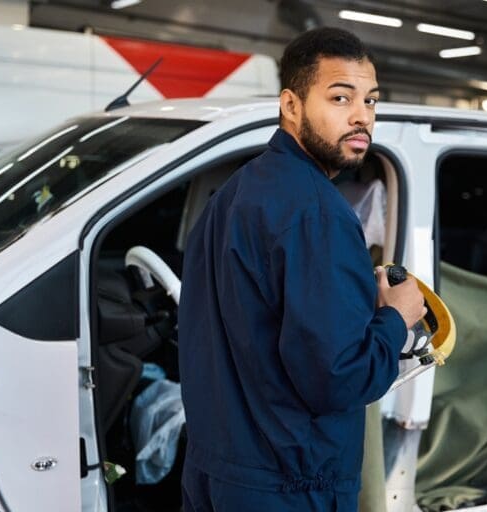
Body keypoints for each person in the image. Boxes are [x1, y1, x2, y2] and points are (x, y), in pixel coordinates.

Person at [176, 27, 426, 511]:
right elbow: (340, 379)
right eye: (340, 97)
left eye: (371, 101)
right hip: (290, 486)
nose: (361, 116)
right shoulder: (318, 213)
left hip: (217, 472)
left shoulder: (235, 192)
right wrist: (398, 316)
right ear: (290, 105)